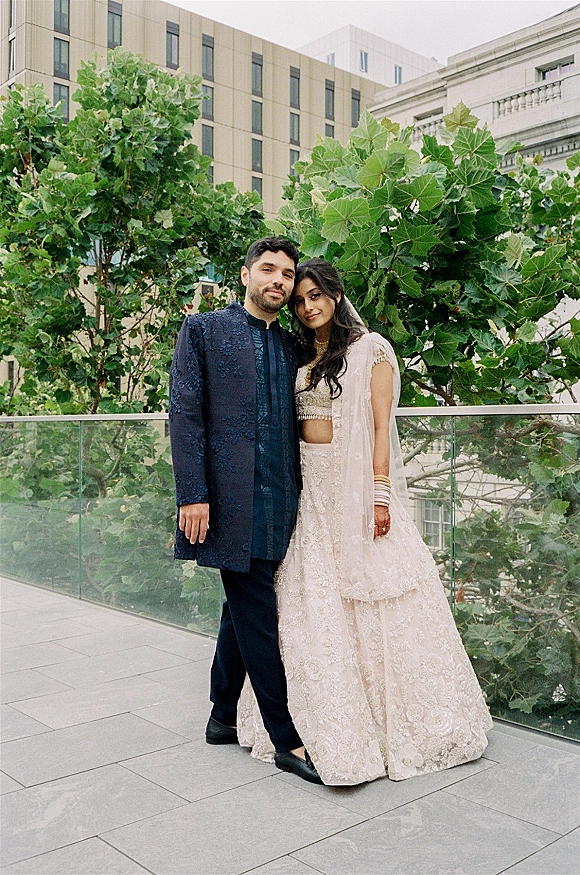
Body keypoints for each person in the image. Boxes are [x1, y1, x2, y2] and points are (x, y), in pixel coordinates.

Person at [238, 258, 493, 785]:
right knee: (312, 605)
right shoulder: (299, 355)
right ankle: (315, 719)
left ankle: (394, 726)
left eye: (317, 296)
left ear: (335, 294)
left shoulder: (370, 349)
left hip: (354, 492)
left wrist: (379, 497)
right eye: (301, 298)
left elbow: (382, 430)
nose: (308, 307)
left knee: (374, 598)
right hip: (309, 493)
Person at [168, 238, 322, 784]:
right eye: (269, 270)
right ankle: (287, 740)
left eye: (287, 273)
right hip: (228, 502)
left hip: (284, 499)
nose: (279, 280)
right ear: (245, 275)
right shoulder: (204, 331)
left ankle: (219, 716)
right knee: (258, 611)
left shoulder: (291, 347)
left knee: (241, 604)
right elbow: (184, 415)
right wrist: (193, 493)